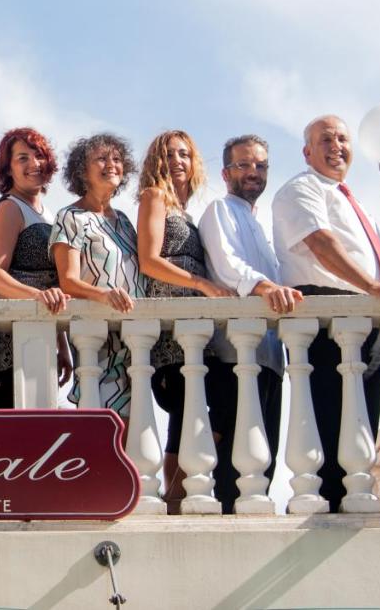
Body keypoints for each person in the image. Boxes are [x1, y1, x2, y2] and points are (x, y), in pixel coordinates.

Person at [273, 115, 380, 510]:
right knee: (332, 418)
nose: (337, 147)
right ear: (307, 152)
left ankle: (353, 497)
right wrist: (371, 286)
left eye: (343, 139)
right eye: (326, 139)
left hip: (367, 318)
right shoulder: (301, 188)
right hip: (329, 316)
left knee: (362, 420)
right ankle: (332, 505)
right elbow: (320, 242)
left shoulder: (351, 198)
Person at [197, 135, 302, 512]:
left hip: (270, 360)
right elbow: (229, 267)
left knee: (263, 461)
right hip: (234, 358)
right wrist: (267, 287)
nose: (253, 172)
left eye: (260, 165)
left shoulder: (261, 226)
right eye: (243, 165)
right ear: (226, 173)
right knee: (234, 468)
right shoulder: (219, 211)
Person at [135, 130, 234, 513]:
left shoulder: (188, 213)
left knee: (193, 409)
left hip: (196, 325)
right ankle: (174, 492)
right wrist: (201, 283)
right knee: (193, 401)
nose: (177, 161)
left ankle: (177, 494)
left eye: (184, 154)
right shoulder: (154, 197)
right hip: (170, 326)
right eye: (169, 154)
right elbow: (149, 260)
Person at [50, 133, 143, 418]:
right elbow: (68, 281)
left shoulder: (124, 221)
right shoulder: (70, 217)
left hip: (134, 339)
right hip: (98, 338)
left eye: (117, 159)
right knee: (106, 425)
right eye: (101, 159)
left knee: (136, 427)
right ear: (82, 170)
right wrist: (104, 295)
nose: (111, 164)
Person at [0, 127, 70, 408]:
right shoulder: (10, 208)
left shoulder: (49, 215)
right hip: (10, 348)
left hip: (41, 340)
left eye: (39, 156)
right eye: (22, 158)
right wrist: (37, 296)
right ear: (8, 169)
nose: (34, 163)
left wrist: (62, 345)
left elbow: (52, 284)